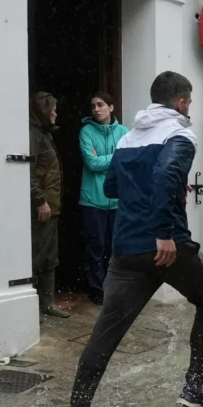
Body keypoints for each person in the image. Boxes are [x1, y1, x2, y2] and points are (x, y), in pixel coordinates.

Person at [58, 71, 203, 407]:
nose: (190, 107)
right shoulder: (180, 134)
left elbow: (112, 186)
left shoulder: (128, 138)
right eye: (189, 101)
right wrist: (163, 231)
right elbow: (165, 174)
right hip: (168, 247)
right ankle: (195, 387)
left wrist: (153, 192)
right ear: (181, 101)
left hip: (127, 250)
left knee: (106, 330)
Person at [79, 92, 129, 306]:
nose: (96, 109)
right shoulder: (86, 131)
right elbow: (91, 163)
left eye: (100, 105)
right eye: (93, 106)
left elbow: (128, 161)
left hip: (118, 200)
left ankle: (114, 289)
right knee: (96, 247)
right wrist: (117, 157)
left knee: (116, 248)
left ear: (111, 107)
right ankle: (97, 290)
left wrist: (104, 159)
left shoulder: (124, 132)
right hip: (93, 199)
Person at [29, 92, 70, 319]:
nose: (55, 113)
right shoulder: (33, 135)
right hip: (43, 207)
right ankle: (34, 306)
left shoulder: (44, 134)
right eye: (53, 109)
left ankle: (47, 303)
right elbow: (28, 172)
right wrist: (40, 201)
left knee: (49, 256)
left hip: (51, 206)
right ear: (44, 110)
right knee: (38, 256)